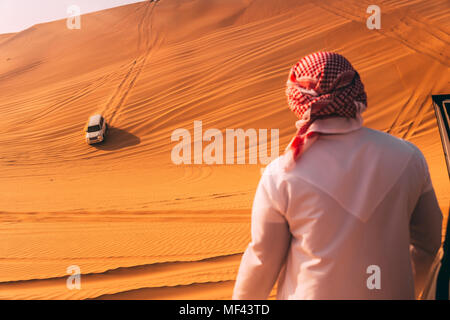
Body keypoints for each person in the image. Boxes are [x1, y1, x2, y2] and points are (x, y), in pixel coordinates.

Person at [232, 51, 443, 300]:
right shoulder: (409, 157)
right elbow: (428, 243)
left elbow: (262, 261)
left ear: (297, 99)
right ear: (356, 92)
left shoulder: (283, 173)